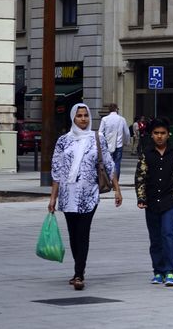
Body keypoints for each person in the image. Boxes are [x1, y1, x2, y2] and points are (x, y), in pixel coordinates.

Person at [48, 103, 123, 290]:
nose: (83, 119)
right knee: (73, 234)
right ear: (73, 118)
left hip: (88, 194)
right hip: (67, 195)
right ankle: (77, 268)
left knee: (83, 232)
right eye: (79, 116)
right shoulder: (63, 141)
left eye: (86, 115)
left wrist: (117, 189)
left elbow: (109, 164)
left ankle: (79, 273)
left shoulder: (97, 138)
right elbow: (57, 170)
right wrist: (53, 197)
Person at [135, 117, 173, 287]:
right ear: (151, 135)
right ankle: (158, 271)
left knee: (168, 234)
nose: (159, 136)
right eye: (156, 133)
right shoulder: (146, 154)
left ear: (168, 134)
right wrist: (141, 198)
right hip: (151, 201)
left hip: (170, 200)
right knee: (155, 238)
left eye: (163, 133)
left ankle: (171, 271)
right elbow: (140, 178)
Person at [99, 103, 131, 180]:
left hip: (107, 144)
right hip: (118, 144)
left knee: (107, 162)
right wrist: (127, 142)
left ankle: (108, 179)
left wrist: (102, 142)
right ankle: (115, 182)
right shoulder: (121, 119)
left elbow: (100, 132)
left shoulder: (105, 119)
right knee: (117, 163)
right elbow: (126, 132)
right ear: (116, 109)